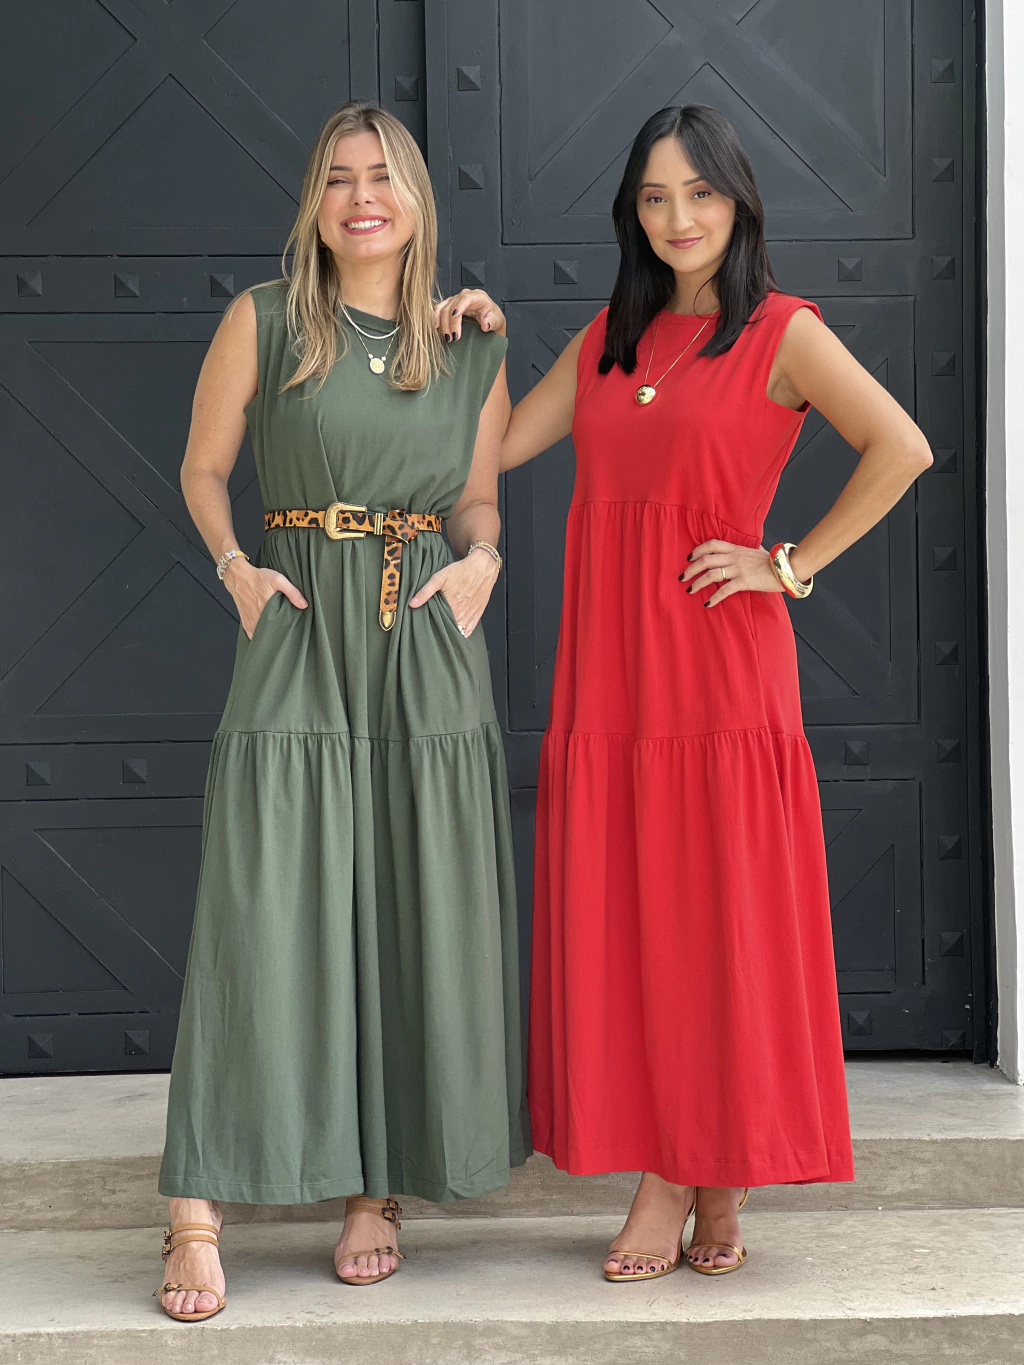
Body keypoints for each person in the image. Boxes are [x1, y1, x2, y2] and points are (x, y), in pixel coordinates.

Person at [438, 103, 931, 1280]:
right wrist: (476, 348)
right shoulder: (611, 336)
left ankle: (672, 1172)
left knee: (718, 915)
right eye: (655, 198)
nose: (677, 218)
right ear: (633, 212)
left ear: (738, 201)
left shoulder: (784, 332)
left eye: (699, 194)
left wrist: (788, 564)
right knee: (646, 916)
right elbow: (490, 449)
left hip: (717, 668)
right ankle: (713, 1174)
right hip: (612, 671)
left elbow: (902, 448)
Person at [155, 100, 528, 1321]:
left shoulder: (470, 345)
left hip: (421, 630)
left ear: (415, 198)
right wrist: (235, 570)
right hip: (301, 621)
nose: (361, 198)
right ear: (314, 204)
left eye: (381, 177)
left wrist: (482, 562)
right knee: (260, 900)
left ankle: (377, 1191)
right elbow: (203, 467)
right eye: (337, 179)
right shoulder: (265, 321)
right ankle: (196, 1207)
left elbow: (476, 498)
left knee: (407, 902)